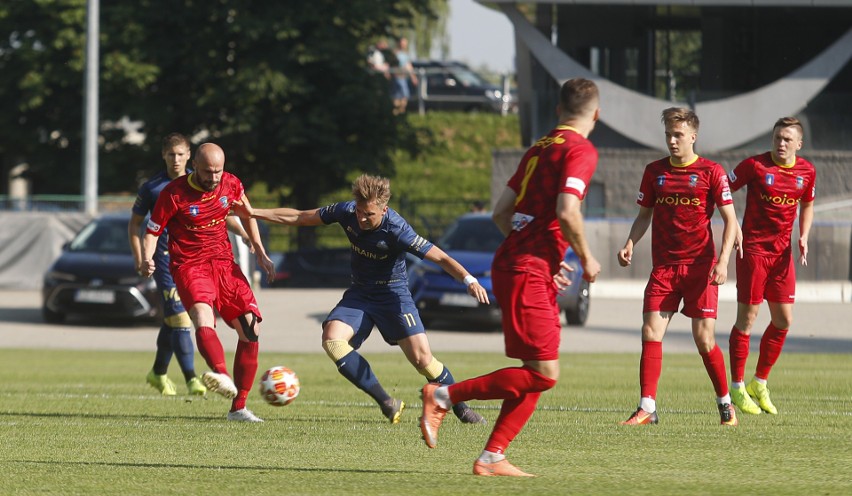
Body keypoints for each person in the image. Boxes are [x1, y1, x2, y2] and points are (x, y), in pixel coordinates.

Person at [419, 78, 603, 477]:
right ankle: (443, 395)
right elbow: (569, 210)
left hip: (520, 263)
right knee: (543, 374)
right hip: (526, 269)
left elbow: (501, 213)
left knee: (534, 370)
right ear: (596, 114)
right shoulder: (581, 149)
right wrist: (586, 258)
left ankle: (492, 457)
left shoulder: (538, 147)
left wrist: (543, 254)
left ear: (558, 110)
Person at [251, 174, 490, 425]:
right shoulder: (346, 211)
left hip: (393, 294)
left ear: (384, 210)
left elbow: (440, 258)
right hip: (361, 294)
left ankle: (462, 409)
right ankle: (387, 402)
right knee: (332, 340)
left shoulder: (398, 230)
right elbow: (300, 217)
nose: (362, 219)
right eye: (359, 212)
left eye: (369, 214)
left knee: (423, 360)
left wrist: (468, 280)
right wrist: (253, 212)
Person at [616, 107, 740, 427]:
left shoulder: (712, 172)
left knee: (704, 340)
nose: (672, 141)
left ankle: (725, 404)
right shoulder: (654, 171)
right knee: (650, 331)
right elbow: (644, 215)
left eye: (678, 135)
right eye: (668, 135)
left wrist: (723, 262)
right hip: (665, 268)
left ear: (693, 137)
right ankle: (647, 407)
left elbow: (730, 220)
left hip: (701, 268)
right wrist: (631, 242)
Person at [139, 143, 275, 422]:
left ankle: (239, 408)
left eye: (218, 171)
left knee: (251, 327)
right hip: (189, 265)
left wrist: (259, 249)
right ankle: (220, 374)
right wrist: (146, 258)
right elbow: (152, 231)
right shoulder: (173, 193)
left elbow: (247, 214)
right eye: (207, 172)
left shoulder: (231, 183)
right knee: (202, 315)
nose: (214, 177)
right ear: (196, 167)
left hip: (224, 264)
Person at [726, 117, 816, 416]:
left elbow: (807, 205)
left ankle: (759, 382)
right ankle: (737, 387)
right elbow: (722, 191)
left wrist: (803, 235)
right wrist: (733, 226)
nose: (780, 143)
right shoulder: (755, 165)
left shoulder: (807, 172)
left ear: (798, 144)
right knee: (747, 320)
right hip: (752, 252)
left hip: (782, 257)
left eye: (787, 139)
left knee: (783, 320)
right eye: (777, 137)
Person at [391, 37, 417, 115]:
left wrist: (413, 77)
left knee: (404, 96)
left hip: (404, 77)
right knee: (398, 96)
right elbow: (392, 65)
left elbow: (409, 66)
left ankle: (400, 112)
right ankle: (396, 112)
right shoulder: (395, 53)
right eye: (403, 43)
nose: (404, 45)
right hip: (396, 77)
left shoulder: (406, 54)